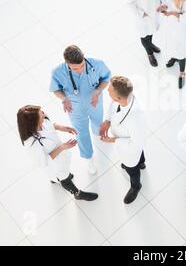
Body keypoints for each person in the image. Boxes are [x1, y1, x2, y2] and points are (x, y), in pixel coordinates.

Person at [50, 45, 111, 175]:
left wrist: (98, 90)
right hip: (75, 108)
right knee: (81, 133)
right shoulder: (57, 72)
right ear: (67, 64)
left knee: (97, 122)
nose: (80, 71)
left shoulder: (97, 63)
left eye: (82, 66)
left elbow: (106, 79)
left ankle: (97, 134)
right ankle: (89, 158)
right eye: (75, 68)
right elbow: (56, 89)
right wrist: (64, 98)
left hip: (95, 103)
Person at [17, 105, 98, 201]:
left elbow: (51, 125)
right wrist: (62, 147)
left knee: (63, 172)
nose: (44, 115)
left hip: (60, 156)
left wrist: (63, 128)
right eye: (41, 115)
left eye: (42, 112)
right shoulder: (32, 144)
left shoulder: (43, 122)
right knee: (64, 178)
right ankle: (77, 193)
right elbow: (44, 161)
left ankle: (55, 179)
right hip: (54, 165)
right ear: (33, 122)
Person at [99, 76, 146, 204]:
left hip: (130, 148)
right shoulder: (123, 97)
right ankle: (142, 162)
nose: (107, 92)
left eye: (109, 91)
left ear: (119, 98)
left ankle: (136, 186)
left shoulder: (136, 118)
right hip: (126, 139)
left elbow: (137, 144)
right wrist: (107, 121)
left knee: (131, 168)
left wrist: (113, 140)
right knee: (139, 159)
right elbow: (113, 106)